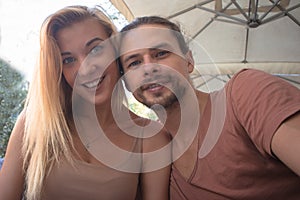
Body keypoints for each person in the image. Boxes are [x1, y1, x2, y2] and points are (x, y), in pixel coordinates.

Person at [118, 16, 300, 200]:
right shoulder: (155, 158)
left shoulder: (243, 93)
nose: (149, 68)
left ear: (189, 60)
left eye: (161, 53)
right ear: (125, 81)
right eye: (134, 63)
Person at [0, 7, 171, 200]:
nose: (86, 68)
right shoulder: (34, 124)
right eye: (69, 60)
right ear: (58, 71)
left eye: (96, 50)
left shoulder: (149, 136)